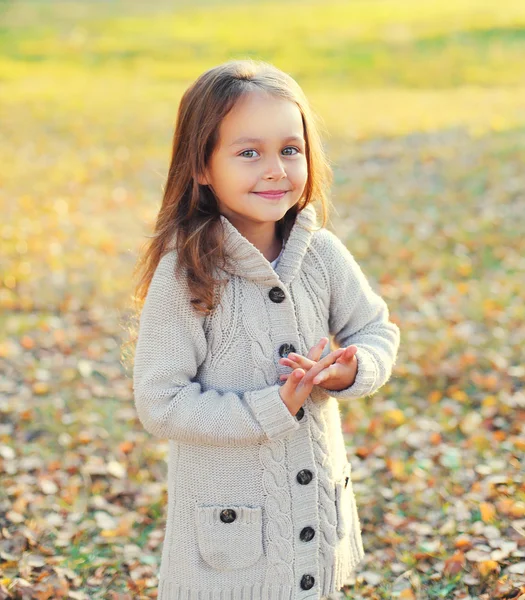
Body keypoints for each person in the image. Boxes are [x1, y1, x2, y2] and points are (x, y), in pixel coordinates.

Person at [131, 58, 400, 600]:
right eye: (249, 152)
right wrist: (272, 407)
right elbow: (161, 402)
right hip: (228, 540)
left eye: (290, 149)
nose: (276, 169)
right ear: (202, 166)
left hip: (312, 516)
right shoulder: (187, 271)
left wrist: (353, 368)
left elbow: (375, 329)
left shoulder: (319, 253)